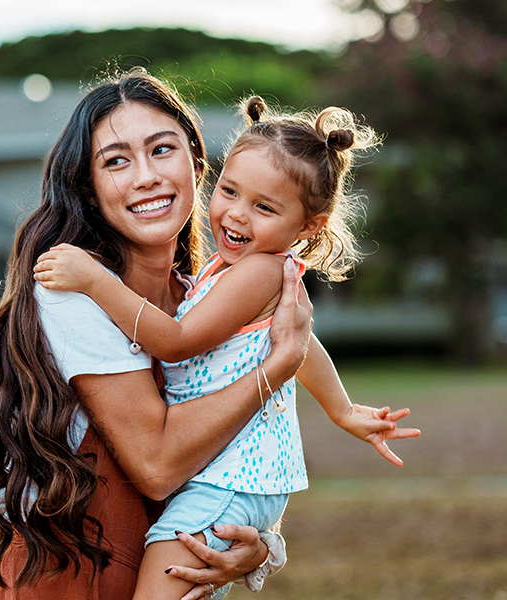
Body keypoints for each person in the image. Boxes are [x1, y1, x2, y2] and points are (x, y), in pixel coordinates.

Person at [33, 95, 420, 600]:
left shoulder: (259, 270)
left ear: (308, 226)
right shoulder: (225, 274)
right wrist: (341, 409)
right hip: (223, 483)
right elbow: (300, 343)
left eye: (264, 207)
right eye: (230, 191)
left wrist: (93, 280)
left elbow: (175, 343)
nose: (236, 214)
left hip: (226, 484)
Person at [0, 71, 319, 600]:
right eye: (116, 160)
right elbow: (158, 465)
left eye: (162, 149)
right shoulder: (74, 294)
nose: (145, 176)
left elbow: (241, 454)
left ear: (198, 165)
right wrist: (277, 366)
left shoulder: (201, 302)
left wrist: (259, 543)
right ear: (90, 186)